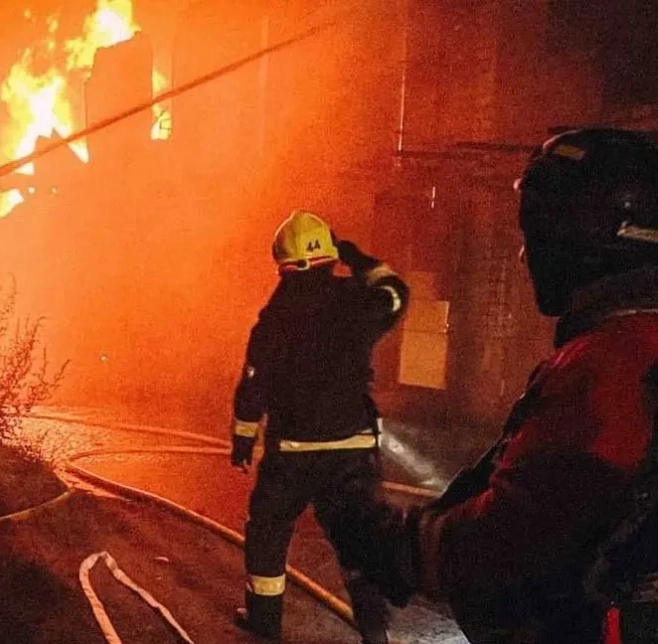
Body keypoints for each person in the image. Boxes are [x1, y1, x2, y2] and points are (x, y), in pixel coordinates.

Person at [331, 128, 658, 644]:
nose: (528, 255)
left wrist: (393, 545)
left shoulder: (611, 364)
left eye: (539, 233)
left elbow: (508, 543)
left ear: (587, 237)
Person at [230, 209, 409, 643]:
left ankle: (265, 621)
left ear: (282, 261)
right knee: (359, 540)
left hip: (291, 454)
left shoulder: (273, 319)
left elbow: (253, 384)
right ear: (329, 256)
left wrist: (242, 440)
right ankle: (375, 632)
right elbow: (395, 294)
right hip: (351, 451)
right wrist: (357, 257)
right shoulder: (356, 303)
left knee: (268, 532)